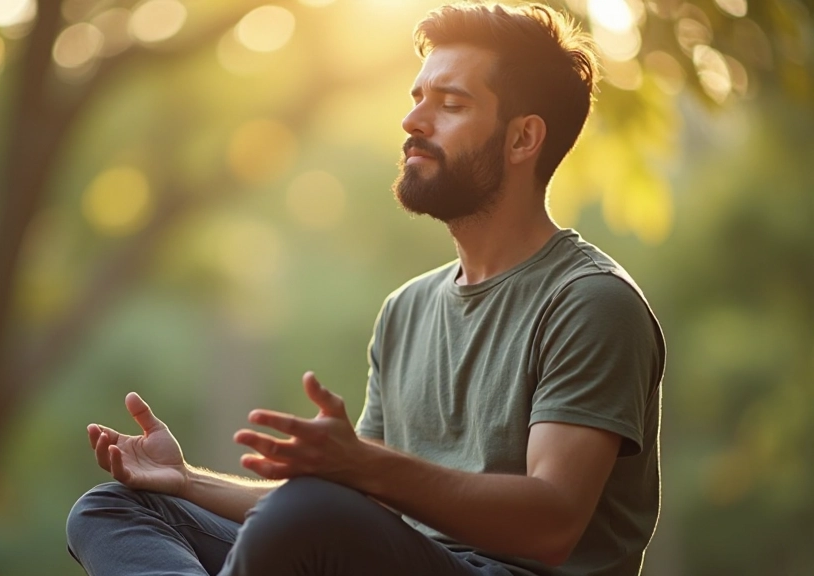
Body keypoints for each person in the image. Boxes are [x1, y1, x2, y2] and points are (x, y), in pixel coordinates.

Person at [65, 2, 665, 575]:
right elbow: (361, 497)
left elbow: (552, 526)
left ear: (522, 139)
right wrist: (187, 480)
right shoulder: (408, 309)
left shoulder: (590, 301)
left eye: (450, 103)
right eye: (417, 98)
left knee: (308, 513)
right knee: (114, 508)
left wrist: (364, 467)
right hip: (392, 559)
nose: (412, 121)